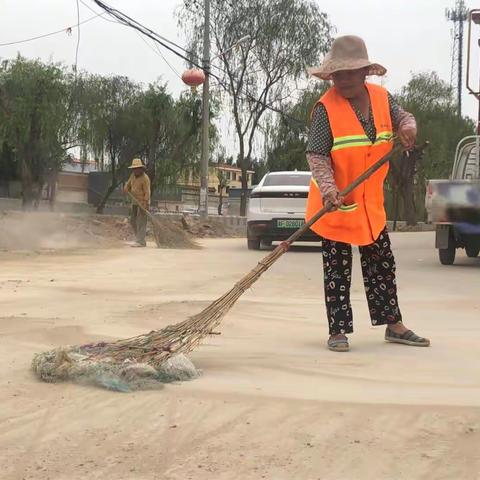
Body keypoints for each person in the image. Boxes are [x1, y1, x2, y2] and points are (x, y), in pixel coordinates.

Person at [305, 35, 430, 352]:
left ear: (365, 73)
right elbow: (317, 156)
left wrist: (409, 126)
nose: (344, 80)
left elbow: (403, 117)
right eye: (338, 74)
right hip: (336, 204)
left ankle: (394, 325)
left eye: (350, 73)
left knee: (382, 265)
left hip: (370, 205)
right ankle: (338, 331)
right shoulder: (325, 110)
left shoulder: (381, 98)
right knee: (337, 269)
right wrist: (330, 190)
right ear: (331, 76)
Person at [124, 158, 151, 247]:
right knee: (133, 221)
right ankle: (139, 238)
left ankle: (140, 241)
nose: (135, 170)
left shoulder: (145, 178)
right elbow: (128, 185)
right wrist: (126, 188)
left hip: (143, 202)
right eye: (134, 169)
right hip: (134, 202)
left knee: (141, 221)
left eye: (137, 168)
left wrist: (145, 203)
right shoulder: (132, 175)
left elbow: (147, 192)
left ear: (141, 169)